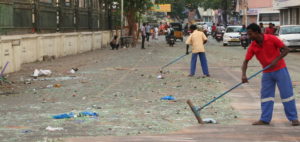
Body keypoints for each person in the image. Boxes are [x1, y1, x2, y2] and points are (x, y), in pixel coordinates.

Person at [241, 23, 299, 126]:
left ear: (257, 32)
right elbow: (246, 61)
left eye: (250, 34)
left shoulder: (272, 38)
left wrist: (276, 60)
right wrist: (243, 75)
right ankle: (265, 119)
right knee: (266, 96)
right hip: (267, 73)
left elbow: (286, 49)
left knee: (287, 95)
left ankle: (294, 118)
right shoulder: (253, 46)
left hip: (280, 70)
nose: (249, 37)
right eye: (248, 34)